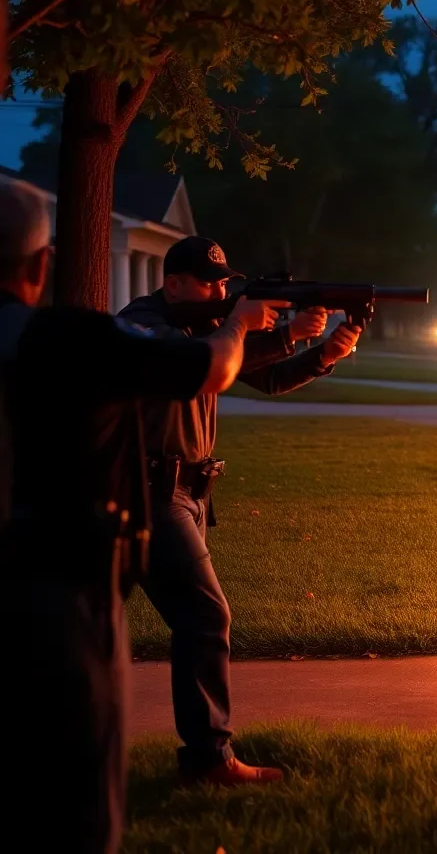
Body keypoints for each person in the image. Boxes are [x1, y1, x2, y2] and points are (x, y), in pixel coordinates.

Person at [0, 183, 279, 854]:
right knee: (75, 789)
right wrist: (237, 325)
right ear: (41, 266)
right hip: (55, 586)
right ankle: (207, 756)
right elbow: (211, 368)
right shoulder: (69, 337)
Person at [118, 236, 361, 786]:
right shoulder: (143, 324)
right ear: (174, 282)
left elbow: (264, 378)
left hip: (190, 492)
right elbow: (198, 367)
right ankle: (209, 760)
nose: (221, 289)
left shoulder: (205, 329)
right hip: (150, 492)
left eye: (226, 281)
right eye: (210, 282)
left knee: (185, 619)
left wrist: (318, 353)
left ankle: (203, 754)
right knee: (205, 617)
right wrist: (249, 327)